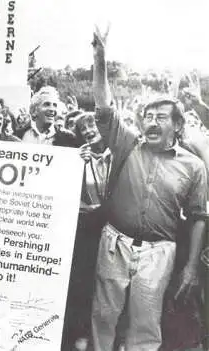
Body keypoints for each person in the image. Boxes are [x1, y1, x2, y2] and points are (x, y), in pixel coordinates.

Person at [91, 26, 207, 351]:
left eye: (161, 117)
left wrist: (191, 266)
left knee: (145, 327)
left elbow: (199, 217)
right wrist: (100, 59)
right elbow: (104, 109)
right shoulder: (127, 144)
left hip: (159, 253)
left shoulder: (193, 166)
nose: (152, 122)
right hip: (114, 244)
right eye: (147, 116)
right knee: (103, 318)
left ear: (178, 126)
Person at [63, 112, 111, 351]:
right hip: (91, 231)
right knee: (87, 285)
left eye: (92, 124)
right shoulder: (80, 158)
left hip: (119, 230)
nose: (89, 130)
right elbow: (69, 194)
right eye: (83, 128)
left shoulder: (120, 153)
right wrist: (75, 165)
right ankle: (82, 337)